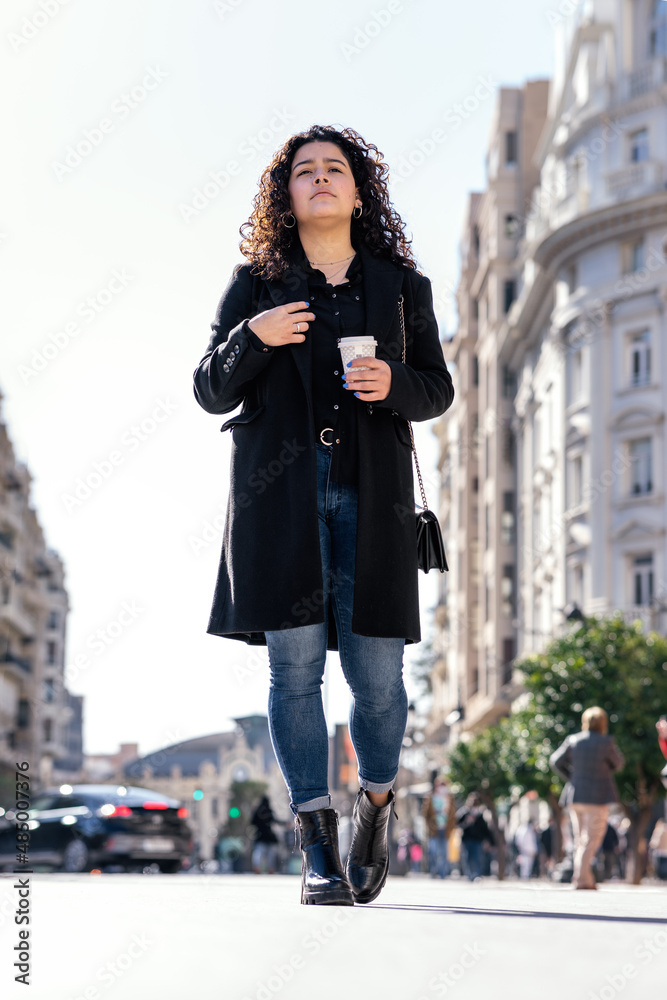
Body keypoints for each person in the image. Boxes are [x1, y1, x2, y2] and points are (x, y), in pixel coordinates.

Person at [192, 124, 454, 906]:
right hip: (281, 500)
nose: (318, 179)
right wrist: (254, 335)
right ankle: (315, 840)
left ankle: (374, 802)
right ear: (288, 193)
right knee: (294, 670)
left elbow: (436, 388)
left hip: (371, 498)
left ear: (356, 188)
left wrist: (393, 385)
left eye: (332, 168)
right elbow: (210, 387)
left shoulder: (401, 285)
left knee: (377, 680)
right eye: (303, 170)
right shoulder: (254, 283)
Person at [549, 706, 625, 890]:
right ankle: (580, 878)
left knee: (580, 839)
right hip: (597, 797)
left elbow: (555, 761)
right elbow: (619, 764)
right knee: (592, 839)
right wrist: (605, 771)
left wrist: (572, 777)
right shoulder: (606, 742)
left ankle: (585, 878)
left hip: (575, 795)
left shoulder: (573, 740)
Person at [422, 777, 456, 878]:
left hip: (446, 829)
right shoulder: (431, 797)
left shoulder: (450, 798)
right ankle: (434, 871)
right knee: (434, 851)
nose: (442, 788)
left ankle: (442, 873)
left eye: (444, 786)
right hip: (434, 829)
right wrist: (429, 825)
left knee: (444, 852)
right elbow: (425, 813)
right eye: (440, 785)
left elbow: (453, 814)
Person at [456, 794, 493, 881]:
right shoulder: (464, 812)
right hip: (467, 839)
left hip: (477, 840)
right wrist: (467, 822)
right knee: (467, 857)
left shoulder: (480, 815)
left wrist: (489, 841)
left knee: (477, 857)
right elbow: (458, 824)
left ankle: (477, 874)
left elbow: (485, 829)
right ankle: (469, 875)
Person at [249, 795, 282, 874]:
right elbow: (274, 820)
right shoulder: (269, 810)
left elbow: (252, 822)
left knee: (258, 853)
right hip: (268, 835)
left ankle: (257, 867)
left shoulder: (257, 810)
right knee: (270, 854)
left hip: (260, 835)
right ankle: (270, 868)